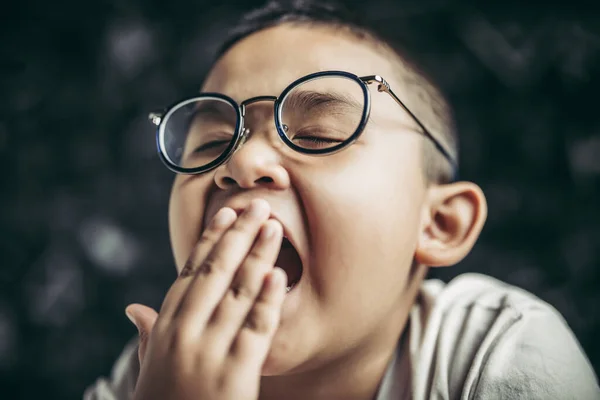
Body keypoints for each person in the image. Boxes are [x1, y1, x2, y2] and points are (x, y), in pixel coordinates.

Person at [84, 1, 600, 399]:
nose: (240, 164)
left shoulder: (496, 354)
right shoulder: (147, 372)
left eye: (315, 135)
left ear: (440, 223)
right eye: (213, 144)